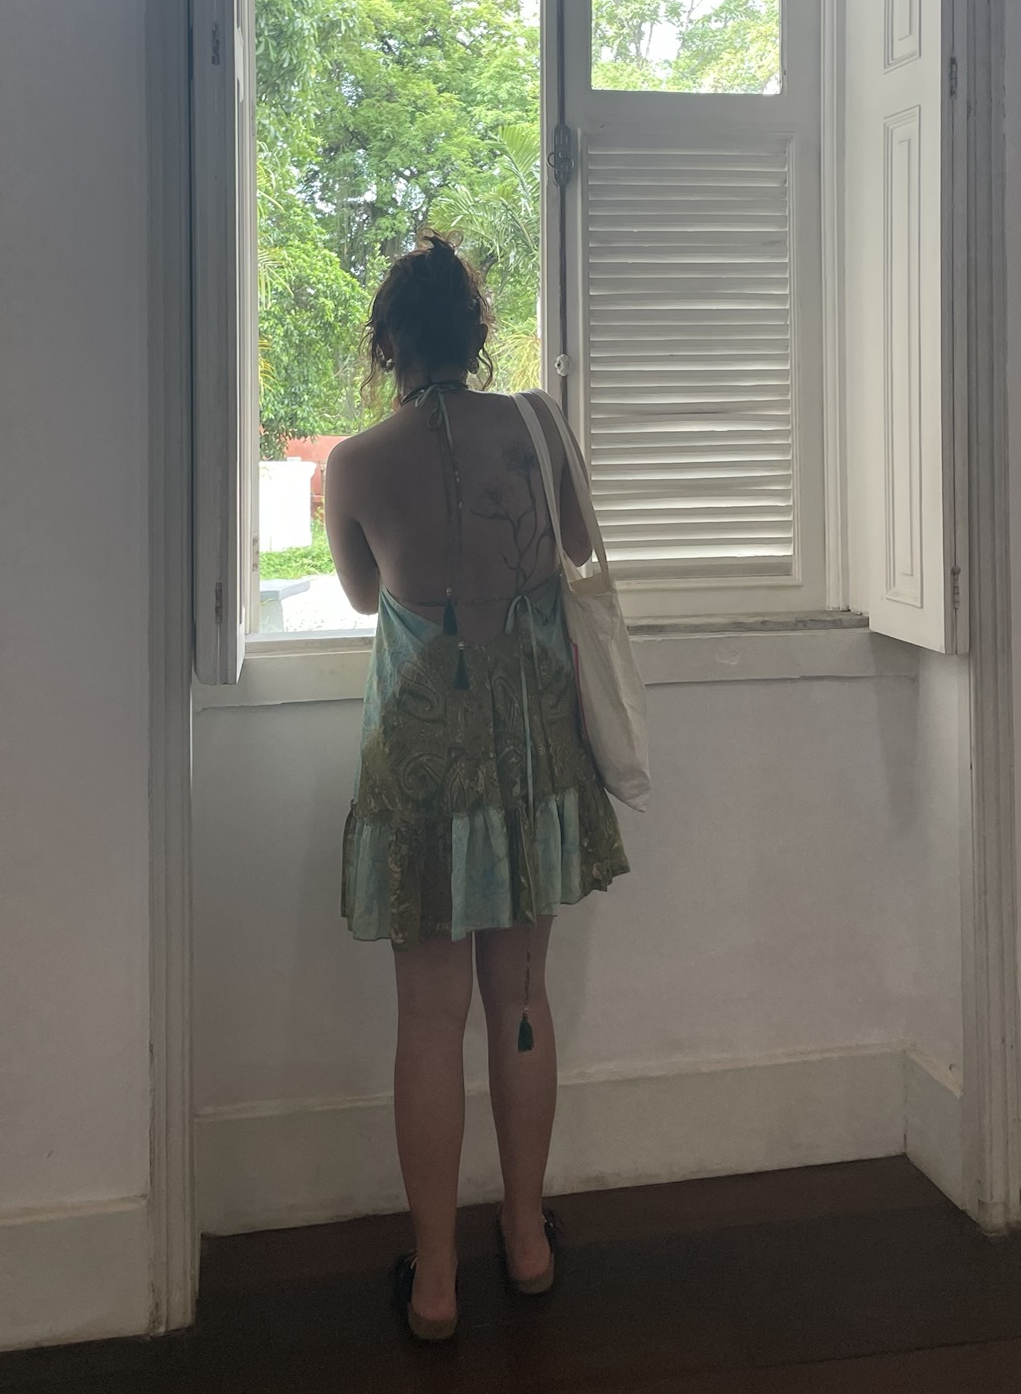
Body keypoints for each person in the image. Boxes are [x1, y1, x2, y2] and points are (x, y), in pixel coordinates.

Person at [324, 231, 629, 1342]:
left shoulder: (355, 462)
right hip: (532, 749)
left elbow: (366, 597)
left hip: (420, 752)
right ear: (479, 330)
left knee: (427, 1016)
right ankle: (529, 1244)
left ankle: (438, 1285)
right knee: (521, 998)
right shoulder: (538, 424)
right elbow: (579, 545)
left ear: (389, 344)